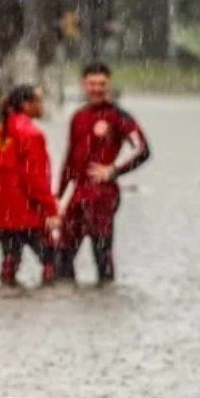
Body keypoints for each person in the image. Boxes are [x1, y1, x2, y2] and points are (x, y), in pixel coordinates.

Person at [55, 63, 151, 284]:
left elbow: (143, 149)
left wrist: (115, 170)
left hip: (101, 195)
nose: (96, 89)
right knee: (62, 254)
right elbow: (70, 159)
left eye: (101, 84)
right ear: (83, 85)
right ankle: (66, 307)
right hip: (77, 193)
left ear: (109, 84)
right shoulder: (78, 117)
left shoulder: (118, 116)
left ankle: (105, 299)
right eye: (91, 84)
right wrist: (58, 198)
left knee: (102, 253)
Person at [0, 85, 61, 287]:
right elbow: (35, 178)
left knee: (9, 263)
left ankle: (8, 303)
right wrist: (51, 210)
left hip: (4, 213)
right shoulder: (31, 134)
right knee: (51, 262)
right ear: (26, 105)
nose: (41, 105)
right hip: (29, 212)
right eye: (38, 101)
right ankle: (48, 305)